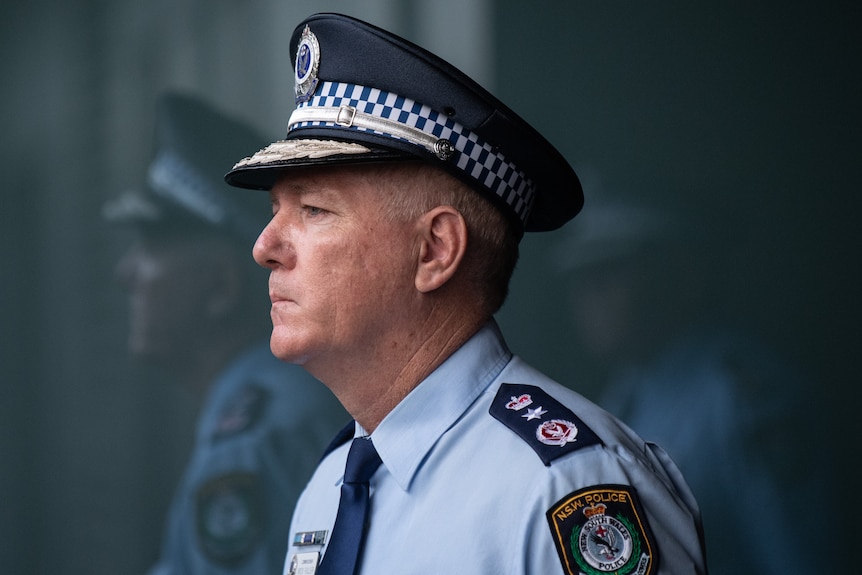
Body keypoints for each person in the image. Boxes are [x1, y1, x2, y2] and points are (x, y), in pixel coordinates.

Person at [224, 13, 707, 575]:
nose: (265, 247)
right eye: (274, 212)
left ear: (434, 251)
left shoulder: (567, 490)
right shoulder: (330, 488)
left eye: (314, 210)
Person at [104, 92, 347, 575]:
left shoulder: (254, 437)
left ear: (220, 287)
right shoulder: (281, 404)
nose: (126, 272)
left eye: (154, 244)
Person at [552, 195, 831, 574]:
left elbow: (798, 556)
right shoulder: (620, 398)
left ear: (682, 274)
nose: (589, 295)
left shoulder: (744, 395)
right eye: (581, 278)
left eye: (612, 271)